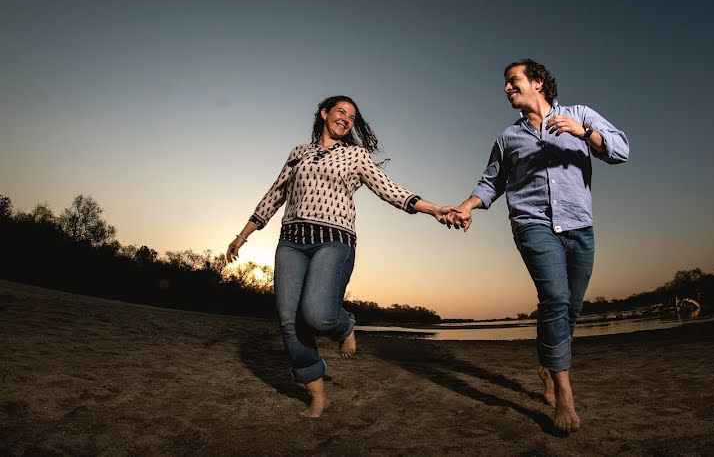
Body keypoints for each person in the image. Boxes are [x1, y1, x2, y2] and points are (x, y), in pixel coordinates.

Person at [226, 95, 452, 418]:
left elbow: (390, 189)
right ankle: (317, 393)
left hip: (334, 241)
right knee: (289, 321)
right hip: (291, 243)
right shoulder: (298, 154)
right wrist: (242, 235)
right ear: (325, 113)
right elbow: (274, 194)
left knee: (317, 314)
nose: (346, 118)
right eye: (341, 111)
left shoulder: (356, 156)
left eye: (352, 116)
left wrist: (433, 209)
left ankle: (344, 325)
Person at [446, 59, 629, 433]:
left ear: (538, 82)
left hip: (579, 225)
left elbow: (620, 150)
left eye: (513, 81)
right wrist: (467, 207)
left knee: (572, 309)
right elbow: (490, 183)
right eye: (505, 83)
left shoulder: (578, 115)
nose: (506, 88)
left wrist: (585, 132)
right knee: (555, 299)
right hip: (532, 224)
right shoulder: (507, 139)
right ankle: (564, 395)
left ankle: (547, 363)